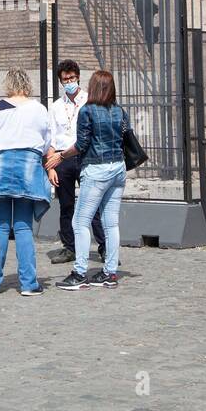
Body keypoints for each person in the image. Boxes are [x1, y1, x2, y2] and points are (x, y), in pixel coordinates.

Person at [0, 69, 52, 296]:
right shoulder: (38, 108)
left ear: (7, 85)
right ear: (28, 85)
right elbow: (46, 141)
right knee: (23, 227)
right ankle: (28, 282)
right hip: (27, 165)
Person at [46, 69, 127, 290]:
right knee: (111, 223)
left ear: (93, 87)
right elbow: (125, 136)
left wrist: (60, 156)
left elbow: (81, 144)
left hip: (96, 169)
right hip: (118, 168)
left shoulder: (87, 111)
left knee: (80, 222)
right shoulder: (119, 110)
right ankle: (110, 273)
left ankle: (79, 273)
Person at [45, 59, 106, 267]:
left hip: (85, 157)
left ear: (78, 77)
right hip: (62, 159)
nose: (69, 81)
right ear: (61, 82)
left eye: (72, 77)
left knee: (94, 204)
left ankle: (105, 247)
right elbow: (51, 139)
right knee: (66, 205)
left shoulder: (90, 101)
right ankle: (69, 247)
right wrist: (51, 167)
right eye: (65, 79)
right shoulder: (55, 107)